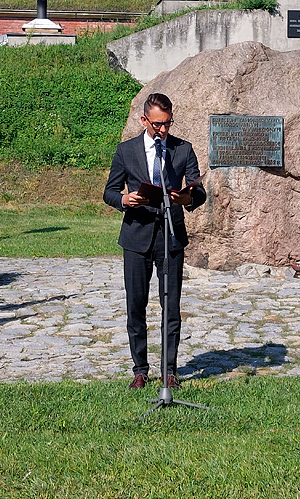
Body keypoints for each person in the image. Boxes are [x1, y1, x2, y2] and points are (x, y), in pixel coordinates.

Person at [103, 92, 206, 389]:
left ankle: (169, 370)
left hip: (170, 235)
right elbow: (109, 191)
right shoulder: (126, 151)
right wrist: (124, 199)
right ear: (144, 119)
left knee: (170, 305)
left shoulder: (182, 149)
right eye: (158, 124)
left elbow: (198, 190)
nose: (163, 130)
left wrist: (186, 197)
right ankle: (140, 368)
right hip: (136, 235)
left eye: (168, 124)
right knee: (136, 304)